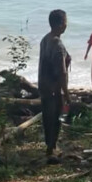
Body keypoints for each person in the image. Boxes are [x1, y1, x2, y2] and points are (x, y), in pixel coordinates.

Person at [38, 9, 70, 163]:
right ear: (60, 24)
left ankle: (49, 147)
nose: (66, 24)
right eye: (65, 21)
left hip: (44, 86)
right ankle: (52, 149)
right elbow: (62, 73)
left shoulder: (45, 39)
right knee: (56, 118)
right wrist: (66, 93)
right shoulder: (57, 44)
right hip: (54, 88)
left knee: (47, 117)